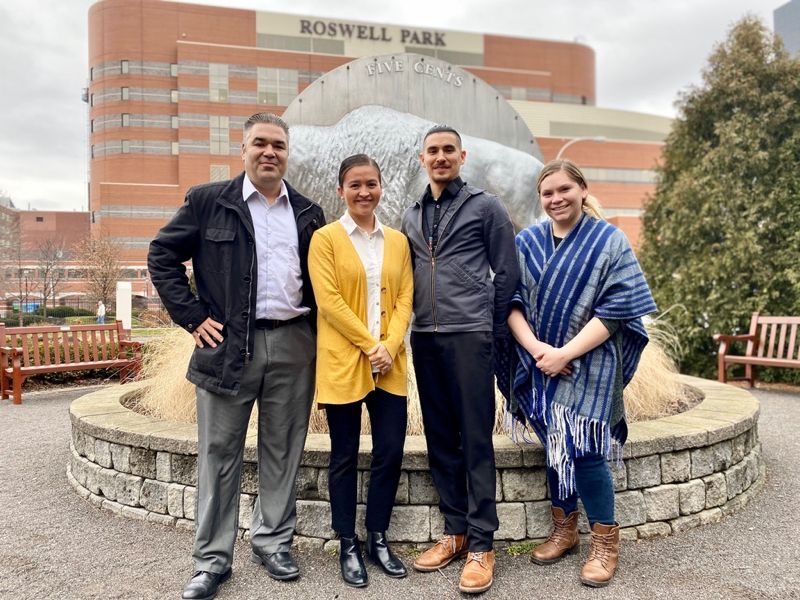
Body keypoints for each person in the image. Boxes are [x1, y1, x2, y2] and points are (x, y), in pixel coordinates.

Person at [148, 112, 324, 600]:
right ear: (243, 149)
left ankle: (273, 541)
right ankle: (211, 560)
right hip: (227, 347)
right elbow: (162, 254)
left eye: (279, 145)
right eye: (260, 144)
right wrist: (193, 316)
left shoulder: (309, 212)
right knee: (219, 454)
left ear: (288, 154)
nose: (270, 152)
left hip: (293, 343)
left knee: (283, 449)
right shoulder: (209, 202)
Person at [499, 159, 657, 587]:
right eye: (548, 193)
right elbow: (510, 301)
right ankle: (564, 529)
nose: (556, 199)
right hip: (539, 364)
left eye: (564, 189)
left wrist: (565, 352)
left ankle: (605, 543)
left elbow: (619, 309)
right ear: (540, 198)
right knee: (555, 445)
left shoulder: (609, 240)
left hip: (591, 361)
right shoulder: (528, 241)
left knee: (585, 449)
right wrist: (537, 352)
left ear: (582, 189)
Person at [400, 125, 519, 594]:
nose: (441, 157)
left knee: (475, 441)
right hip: (424, 338)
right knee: (440, 440)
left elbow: (507, 272)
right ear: (421, 158)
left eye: (449, 149)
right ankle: (455, 531)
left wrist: (490, 331)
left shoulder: (485, 206)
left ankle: (482, 544)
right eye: (433, 151)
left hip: (471, 337)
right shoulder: (410, 215)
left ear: (462, 156)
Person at [308, 154, 413, 587]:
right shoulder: (325, 239)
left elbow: (406, 296)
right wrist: (372, 346)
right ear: (341, 190)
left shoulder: (399, 241)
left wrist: (389, 347)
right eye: (355, 185)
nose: (363, 192)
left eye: (371, 184)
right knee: (344, 456)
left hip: (389, 365)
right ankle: (347, 542)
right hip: (344, 362)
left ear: (381, 187)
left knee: (390, 452)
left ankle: (378, 537)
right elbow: (329, 302)